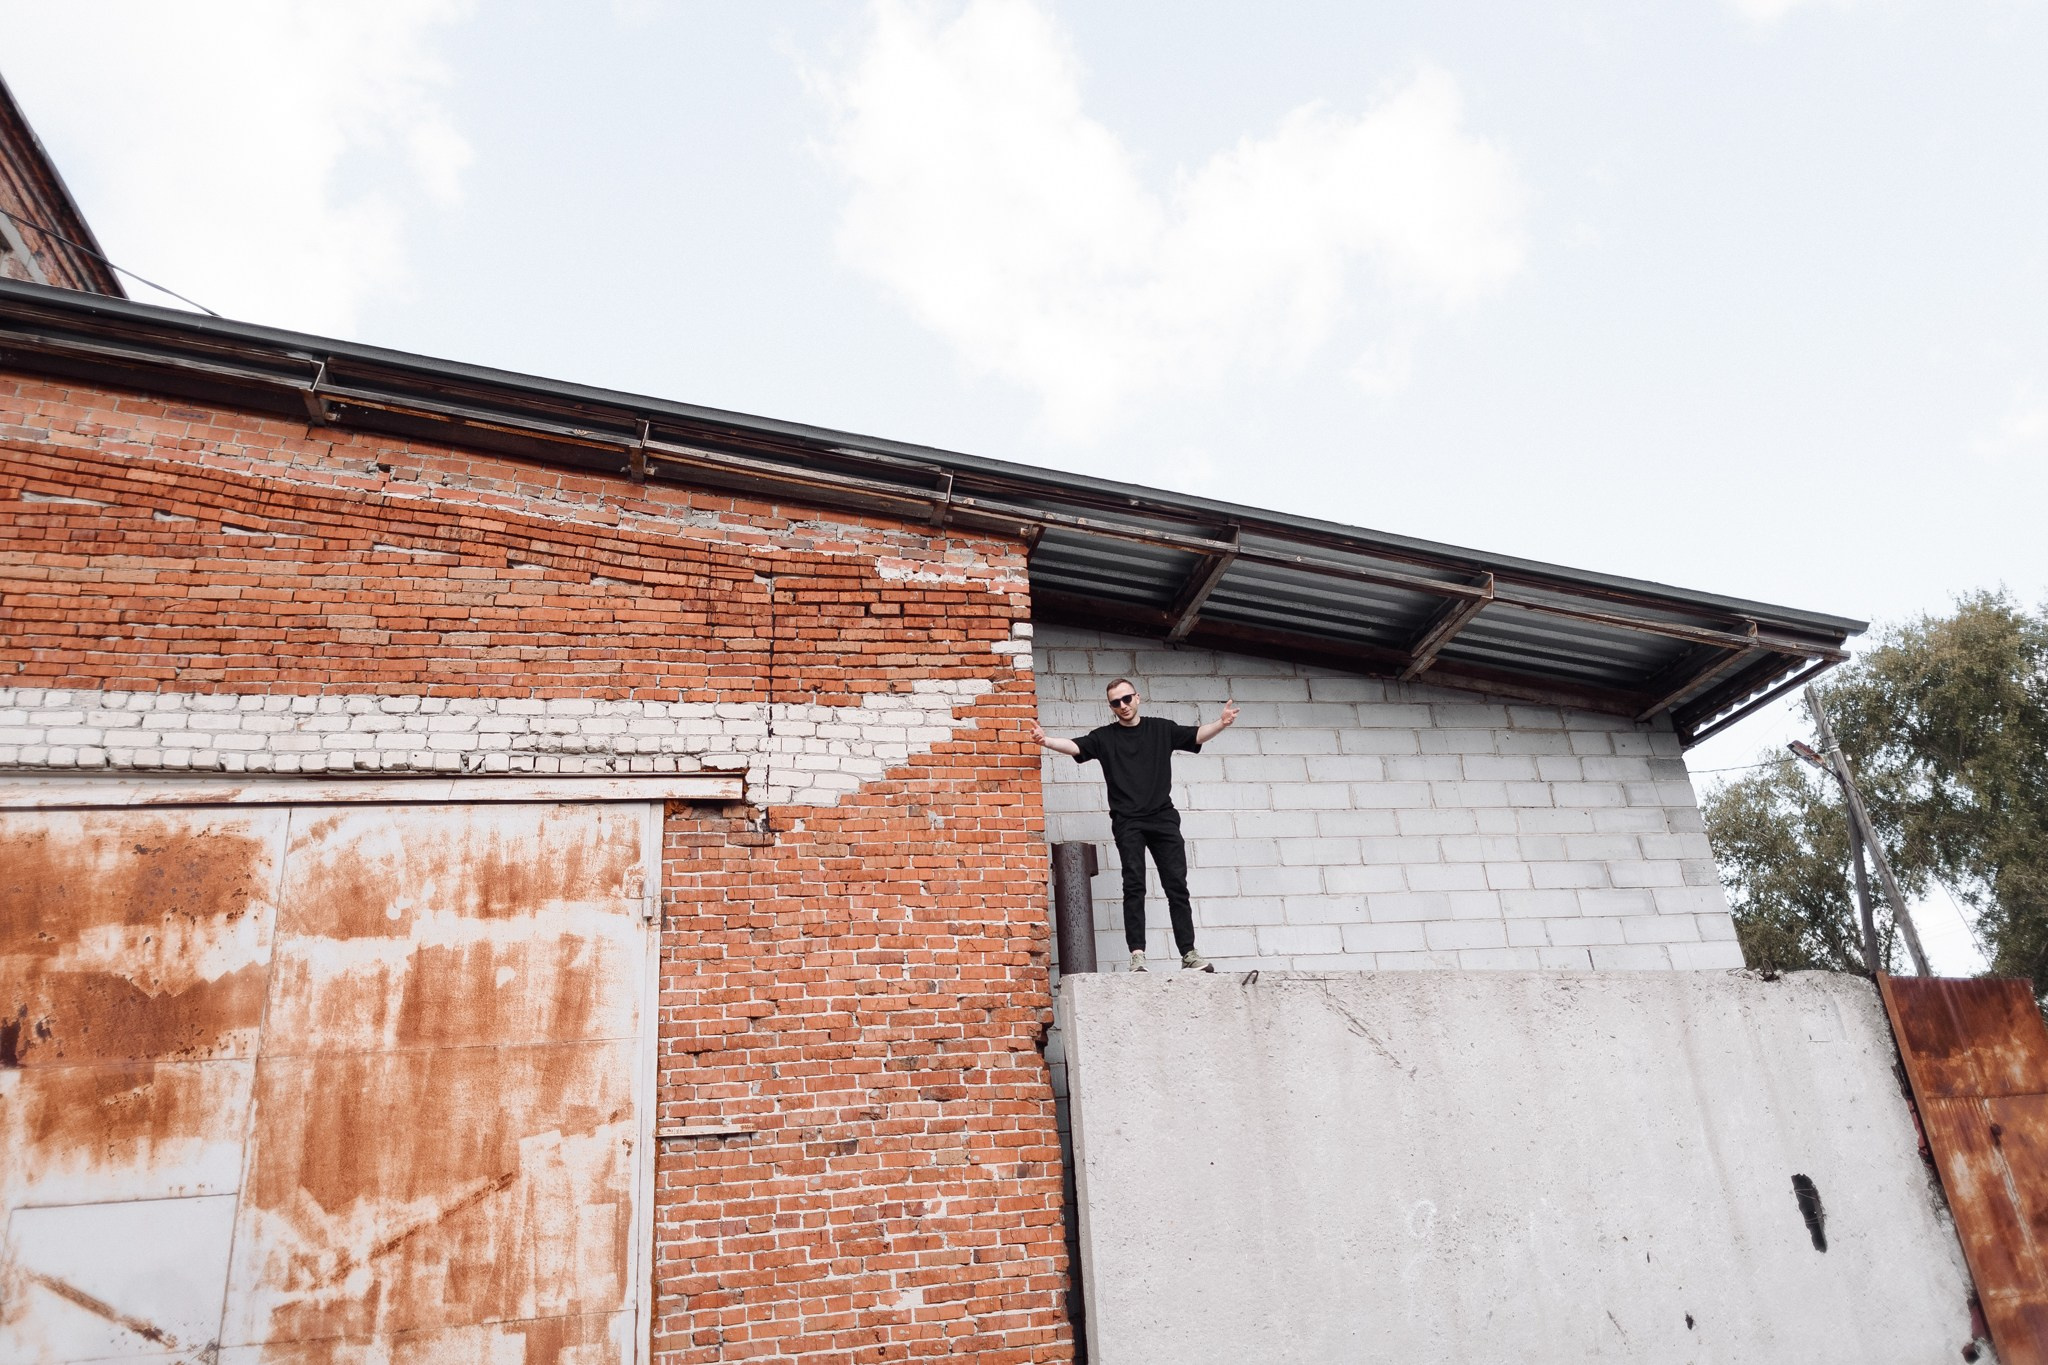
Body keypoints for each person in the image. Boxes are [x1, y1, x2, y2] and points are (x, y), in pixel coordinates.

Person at [1030, 679, 1239, 973]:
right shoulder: (1105, 738)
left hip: (1163, 819)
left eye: (1126, 699)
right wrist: (1046, 740)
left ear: (1137, 697)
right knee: (1134, 885)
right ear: (1111, 706)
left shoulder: (1161, 729)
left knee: (1177, 886)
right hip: (1128, 822)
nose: (1123, 706)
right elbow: (1076, 745)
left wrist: (1221, 723)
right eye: (1116, 702)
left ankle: (1189, 954)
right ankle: (1137, 956)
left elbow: (1196, 735)